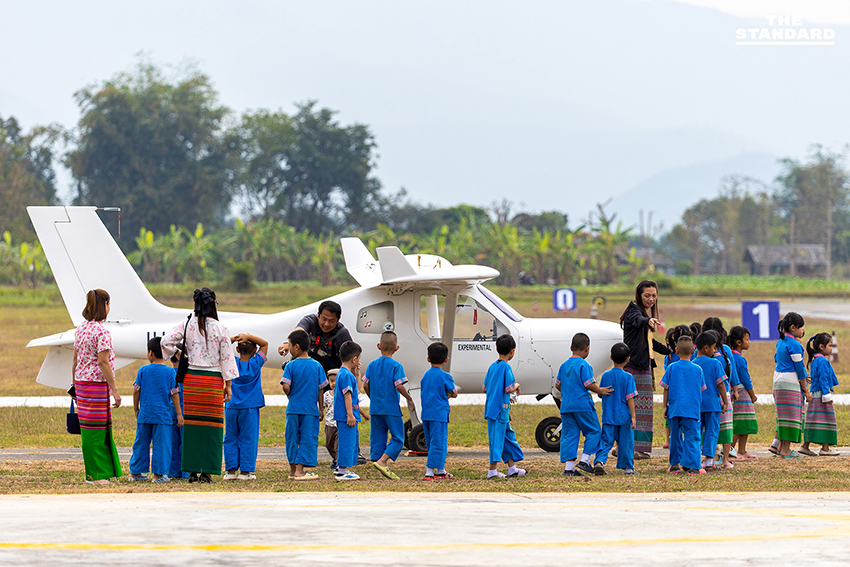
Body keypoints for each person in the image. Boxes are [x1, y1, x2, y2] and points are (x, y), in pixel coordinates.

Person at [161, 287, 238, 484]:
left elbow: (165, 342)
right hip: (212, 381)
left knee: (192, 427)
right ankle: (207, 472)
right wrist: (227, 385)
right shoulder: (221, 328)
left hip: (192, 380)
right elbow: (227, 358)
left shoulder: (187, 325)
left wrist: (178, 354)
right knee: (211, 428)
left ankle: (192, 472)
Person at [73, 289, 123, 485]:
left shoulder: (81, 328)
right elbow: (103, 363)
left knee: (88, 429)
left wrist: (74, 383)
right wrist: (115, 390)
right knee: (98, 430)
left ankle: (95, 472)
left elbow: (75, 358)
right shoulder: (102, 332)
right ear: (105, 305)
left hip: (82, 384)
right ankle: (98, 476)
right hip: (96, 386)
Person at [619, 280, 671, 459]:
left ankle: (631, 448)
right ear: (639, 295)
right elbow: (637, 320)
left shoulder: (642, 312)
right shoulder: (634, 312)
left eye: (654, 296)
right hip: (634, 367)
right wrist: (647, 319)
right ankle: (631, 448)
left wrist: (668, 351)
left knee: (643, 409)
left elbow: (649, 342)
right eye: (647, 295)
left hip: (643, 366)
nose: (651, 299)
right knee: (636, 408)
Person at [556, 333, 613, 477]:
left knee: (569, 435)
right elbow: (588, 384)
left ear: (571, 347)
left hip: (566, 406)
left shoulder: (564, 365)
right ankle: (585, 460)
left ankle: (569, 468)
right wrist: (600, 390)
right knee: (594, 431)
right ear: (587, 349)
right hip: (582, 405)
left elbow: (558, 385)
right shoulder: (584, 365)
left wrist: (568, 391)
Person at [364, 331, 416, 480]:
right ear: (397, 348)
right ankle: (382, 462)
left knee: (378, 436)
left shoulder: (372, 364)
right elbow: (398, 385)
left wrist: (372, 397)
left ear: (378, 346)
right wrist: (409, 398)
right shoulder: (396, 365)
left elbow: (366, 385)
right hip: (391, 409)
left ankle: (377, 461)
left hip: (375, 408)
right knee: (398, 437)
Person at [130, 337, 183, 482]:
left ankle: (135, 473)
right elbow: (174, 394)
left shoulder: (143, 370)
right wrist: (179, 414)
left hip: (145, 414)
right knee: (161, 445)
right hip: (163, 417)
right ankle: (159, 475)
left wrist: (136, 408)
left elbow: (136, 390)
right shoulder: (170, 373)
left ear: (150, 353)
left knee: (141, 443)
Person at [281, 329, 327, 480]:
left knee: (292, 438)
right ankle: (300, 470)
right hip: (310, 410)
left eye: (289, 345)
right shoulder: (317, 366)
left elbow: (286, 386)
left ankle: (292, 469)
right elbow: (321, 389)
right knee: (308, 438)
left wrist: (290, 395)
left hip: (293, 408)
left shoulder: (290, 366)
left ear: (297, 347)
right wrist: (321, 408)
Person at [223, 333, 268, 481]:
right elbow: (264, 344)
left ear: (236, 349)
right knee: (248, 438)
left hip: (231, 405)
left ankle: (230, 471)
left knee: (230, 437)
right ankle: (245, 472)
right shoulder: (256, 363)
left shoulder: (231, 362)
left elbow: (221, 348)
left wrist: (234, 338)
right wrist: (248, 336)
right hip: (250, 407)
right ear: (255, 351)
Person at [660, 335, 707, 476]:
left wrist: (664, 406)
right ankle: (692, 467)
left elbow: (666, 388)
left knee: (674, 437)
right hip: (692, 409)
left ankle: (674, 465)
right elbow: (701, 389)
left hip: (674, 409)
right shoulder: (698, 369)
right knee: (692, 437)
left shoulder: (671, 367)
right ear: (693, 350)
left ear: (676, 351)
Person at [483, 334, 525, 479]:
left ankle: (512, 468)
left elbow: (485, 388)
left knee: (507, 438)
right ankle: (492, 471)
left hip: (492, 409)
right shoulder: (506, 367)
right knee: (497, 439)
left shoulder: (492, 367)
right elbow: (508, 388)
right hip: (500, 410)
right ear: (512, 351)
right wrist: (517, 385)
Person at [769, 312, 811, 459]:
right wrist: (805, 389)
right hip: (790, 382)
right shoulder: (795, 344)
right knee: (791, 415)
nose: (802, 331)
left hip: (779, 379)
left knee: (783, 415)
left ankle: (780, 446)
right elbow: (799, 368)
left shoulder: (780, 341)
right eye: (801, 327)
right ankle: (786, 450)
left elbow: (777, 358)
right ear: (793, 327)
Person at [593, 342, 638, 476]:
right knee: (626, 443)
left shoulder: (606, 376)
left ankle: (600, 461)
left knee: (606, 441)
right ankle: (628, 468)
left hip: (609, 416)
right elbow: (630, 398)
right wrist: (633, 416)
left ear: (611, 357)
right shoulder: (628, 377)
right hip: (624, 418)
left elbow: (601, 393)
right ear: (628, 359)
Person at [277, 300, 353, 374]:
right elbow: (299, 331)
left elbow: (351, 359)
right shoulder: (310, 321)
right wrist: (287, 343)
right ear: (318, 315)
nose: (326, 324)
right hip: (307, 371)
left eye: (331, 321)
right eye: (324, 319)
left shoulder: (342, 334)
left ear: (338, 319)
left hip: (329, 377)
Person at [420, 342, 457, 480]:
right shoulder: (445, 376)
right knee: (439, 442)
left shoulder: (425, 375)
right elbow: (453, 392)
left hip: (427, 414)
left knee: (431, 442)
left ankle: (440, 469)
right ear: (446, 359)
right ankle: (430, 472)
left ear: (428, 358)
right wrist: (450, 394)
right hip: (439, 414)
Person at [692, 331, 727, 471]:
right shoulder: (715, 363)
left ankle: (695, 459)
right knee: (712, 431)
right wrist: (725, 401)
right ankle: (709, 461)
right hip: (713, 404)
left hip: (697, 405)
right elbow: (720, 384)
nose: (714, 350)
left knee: (696, 431)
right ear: (706, 348)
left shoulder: (692, 363)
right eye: (713, 347)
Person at [800, 333, 840, 457]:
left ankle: (805, 446)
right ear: (822, 347)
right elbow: (823, 379)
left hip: (815, 394)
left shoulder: (815, 360)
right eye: (830, 345)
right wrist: (826, 394)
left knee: (813, 419)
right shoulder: (822, 360)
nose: (831, 348)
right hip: (822, 394)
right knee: (827, 419)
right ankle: (825, 448)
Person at [727, 326, 758, 461]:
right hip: (742, 392)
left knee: (744, 421)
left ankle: (742, 450)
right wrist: (752, 394)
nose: (749, 342)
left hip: (738, 391)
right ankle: (730, 451)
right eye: (747, 339)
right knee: (739, 423)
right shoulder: (738, 359)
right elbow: (746, 379)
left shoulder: (731, 356)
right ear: (739, 342)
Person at [334, 341, 363, 481]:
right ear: (354, 359)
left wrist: (357, 373)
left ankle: (342, 468)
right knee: (347, 443)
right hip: (347, 416)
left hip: (345, 415)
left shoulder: (344, 373)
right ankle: (342, 471)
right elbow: (348, 396)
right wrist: (350, 414)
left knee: (348, 442)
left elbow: (356, 389)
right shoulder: (346, 375)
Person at [324, 369, 339, 471]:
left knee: (338, 445)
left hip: (339, 423)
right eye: (331, 381)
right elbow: (322, 406)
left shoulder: (343, 394)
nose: (333, 383)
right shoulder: (327, 395)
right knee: (328, 444)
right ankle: (335, 458)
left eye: (336, 381)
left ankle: (338, 462)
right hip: (329, 424)